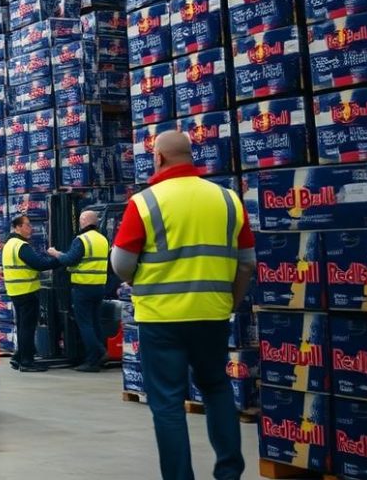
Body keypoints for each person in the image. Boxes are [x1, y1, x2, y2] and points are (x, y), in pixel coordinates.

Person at [111, 130, 255, 480]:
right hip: (212, 314)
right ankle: (229, 472)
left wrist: (138, 279)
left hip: (161, 320)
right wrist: (229, 302)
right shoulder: (228, 200)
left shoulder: (145, 202)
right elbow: (247, 262)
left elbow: (121, 263)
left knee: (167, 404)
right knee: (217, 389)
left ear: (158, 158)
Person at [48, 209, 111, 372]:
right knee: (96, 323)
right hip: (99, 287)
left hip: (83, 287)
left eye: (81, 220)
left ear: (84, 221)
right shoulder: (103, 239)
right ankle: (94, 361)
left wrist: (55, 253)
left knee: (85, 324)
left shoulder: (81, 239)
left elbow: (69, 259)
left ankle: (99, 352)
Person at [3, 214, 63, 373]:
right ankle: (27, 361)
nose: (31, 228)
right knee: (27, 328)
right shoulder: (21, 246)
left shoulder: (9, 244)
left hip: (15, 291)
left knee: (23, 326)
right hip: (26, 291)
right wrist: (59, 259)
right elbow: (39, 264)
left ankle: (18, 357)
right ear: (17, 227)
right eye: (27, 225)